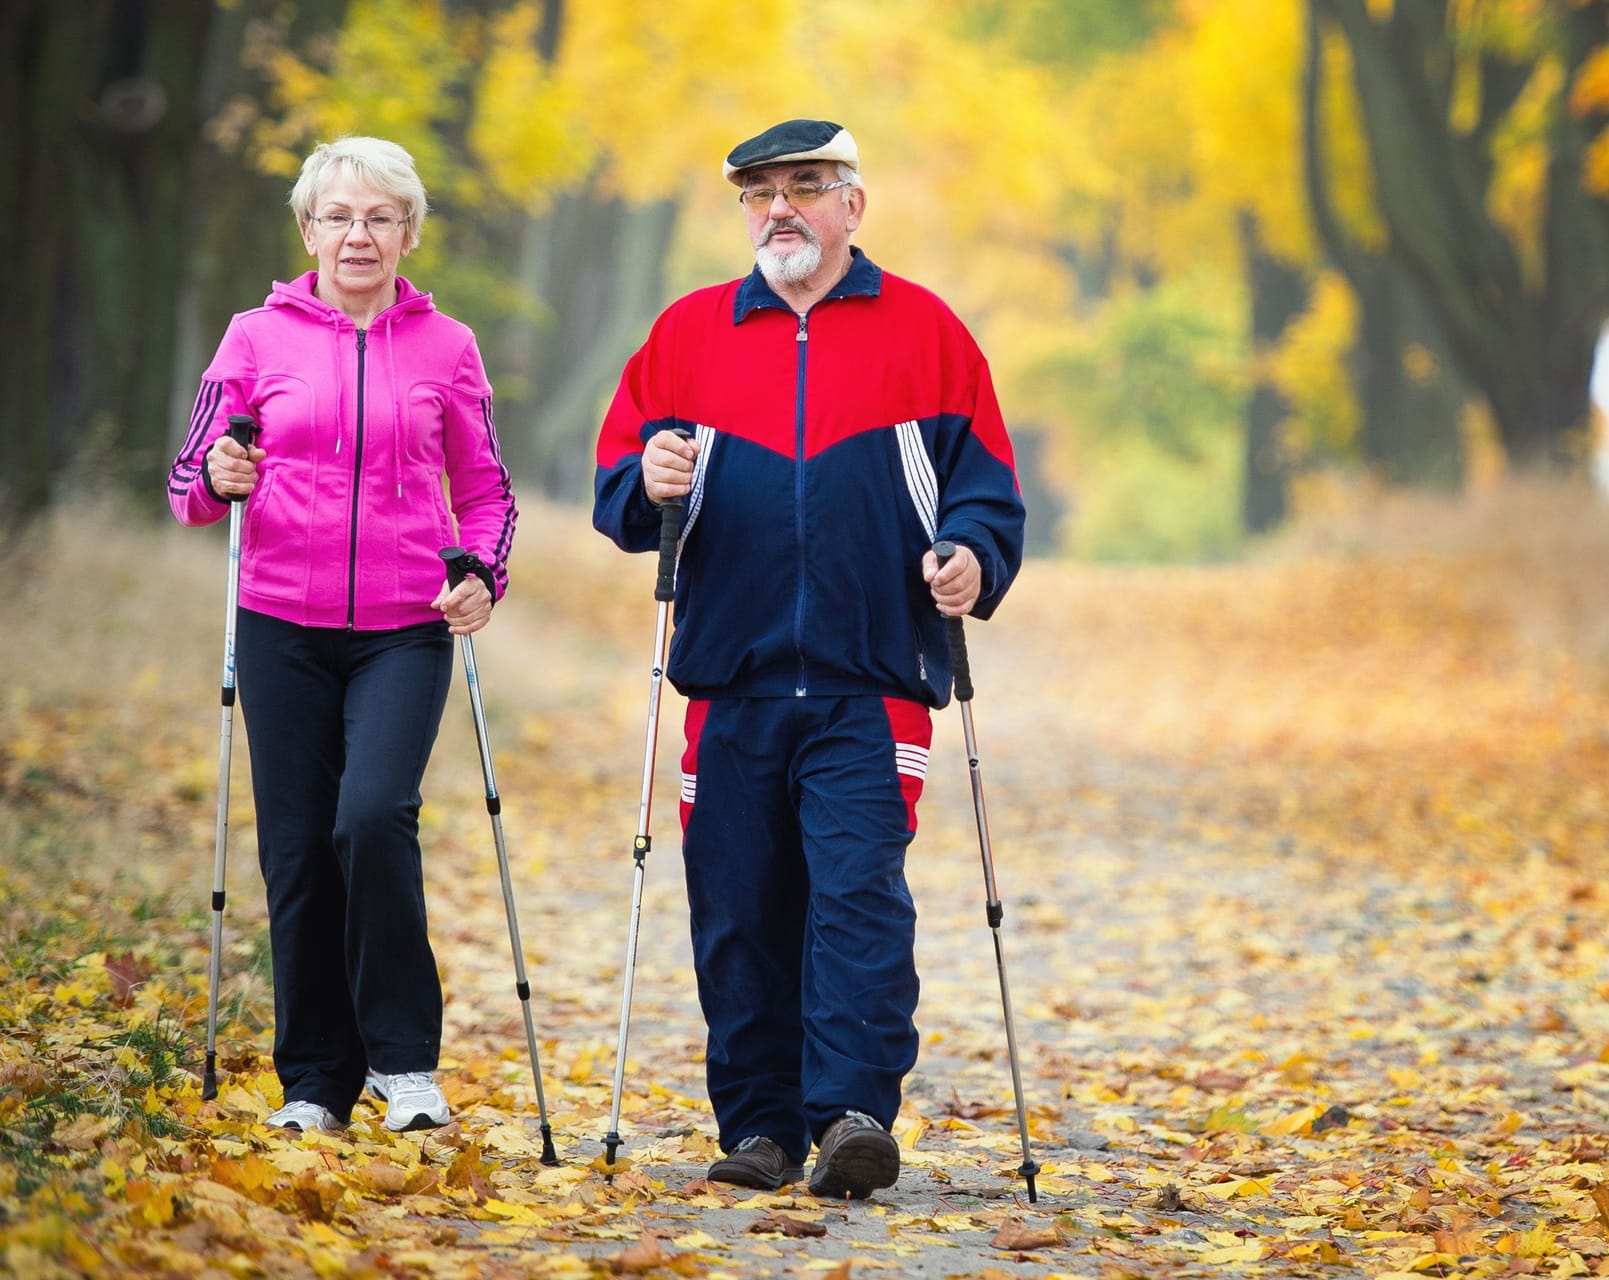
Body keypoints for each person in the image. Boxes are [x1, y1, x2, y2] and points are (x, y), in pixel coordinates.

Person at [591, 119, 1025, 1199]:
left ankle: (850, 1114)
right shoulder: (689, 334)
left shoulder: (926, 333)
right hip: (728, 680)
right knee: (738, 905)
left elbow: (987, 487)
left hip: (870, 679)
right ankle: (761, 1127)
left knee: (856, 895)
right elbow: (619, 484)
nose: (778, 208)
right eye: (758, 192)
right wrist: (648, 477)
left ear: (851, 205)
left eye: (805, 185)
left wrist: (971, 555)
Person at [166, 136, 517, 1135]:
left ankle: (404, 1061)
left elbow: (487, 491)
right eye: (337, 216)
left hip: (406, 627)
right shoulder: (252, 338)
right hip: (279, 621)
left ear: (407, 233)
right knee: (296, 850)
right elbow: (191, 484)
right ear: (308, 229)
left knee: (370, 818)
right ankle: (316, 1078)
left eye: (378, 218)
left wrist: (480, 574)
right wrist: (218, 481)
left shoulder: (447, 346)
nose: (357, 235)